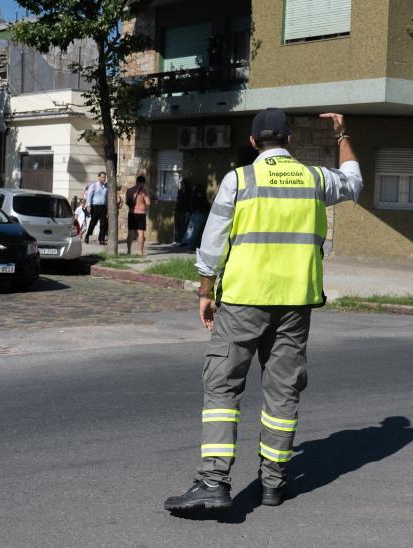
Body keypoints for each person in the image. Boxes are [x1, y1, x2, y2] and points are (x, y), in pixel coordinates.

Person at [163, 109, 362, 513]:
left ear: (254, 142)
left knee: (223, 386)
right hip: (295, 302)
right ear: (289, 140)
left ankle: (214, 481)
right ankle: (274, 483)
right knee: (283, 391)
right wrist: (343, 135)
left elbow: (214, 239)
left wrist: (205, 289)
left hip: (243, 300)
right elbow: (355, 184)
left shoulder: (240, 179)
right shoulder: (314, 178)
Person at [126, 175, 151, 256]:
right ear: (143, 182)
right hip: (141, 213)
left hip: (131, 213)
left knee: (130, 232)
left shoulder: (129, 190)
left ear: (136, 181)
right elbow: (148, 203)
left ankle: (129, 251)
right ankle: (140, 252)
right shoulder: (144, 191)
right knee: (141, 232)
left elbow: (127, 202)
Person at [85, 172, 108, 245]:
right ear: (99, 177)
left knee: (103, 224)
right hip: (95, 207)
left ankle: (101, 239)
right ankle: (87, 236)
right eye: (102, 177)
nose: (103, 178)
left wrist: (107, 208)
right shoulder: (94, 185)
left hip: (103, 207)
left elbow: (106, 198)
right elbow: (89, 196)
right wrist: (88, 205)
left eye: (104, 177)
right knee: (93, 223)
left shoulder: (106, 187)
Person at [174, 180, 192, 245]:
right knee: (177, 226)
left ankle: (182, 240)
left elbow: (189, 202)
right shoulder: (180, 191)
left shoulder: (188, 192)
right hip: (178, 211)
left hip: (185, 211)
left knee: (184, 226)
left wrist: (189, 211)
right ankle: (177, 240)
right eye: (181, 184)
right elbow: (178, 200)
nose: (182, 186)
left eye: (183, 184)